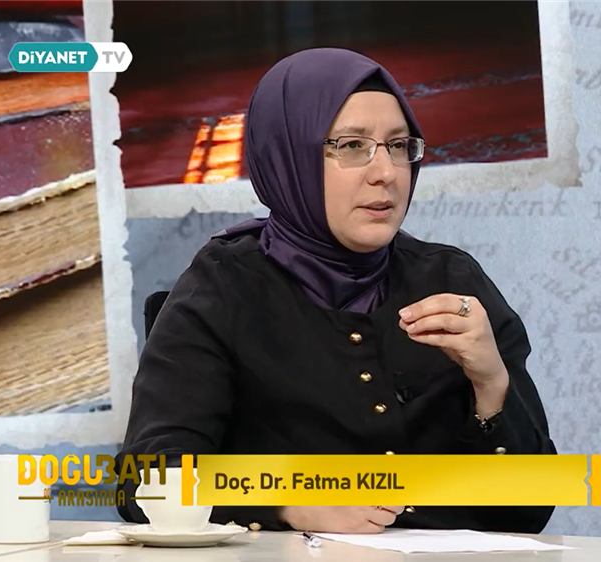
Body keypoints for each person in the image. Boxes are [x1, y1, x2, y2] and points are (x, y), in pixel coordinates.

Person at [115, 47, 556, 534]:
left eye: (398, 146)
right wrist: (288, 503)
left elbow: (532, 509)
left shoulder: (452, 280)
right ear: (288, 158)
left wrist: (492, 385)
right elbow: (145, 481)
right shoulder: (223, 286)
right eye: (352, 146)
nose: (386, 172)